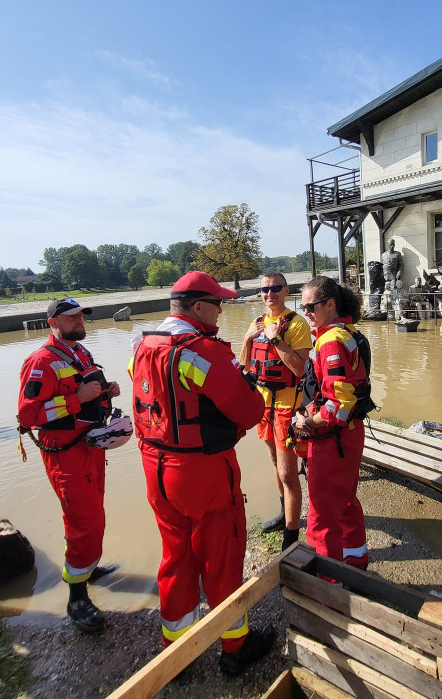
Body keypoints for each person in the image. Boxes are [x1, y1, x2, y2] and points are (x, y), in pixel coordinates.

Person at [130, 271, 273, 677]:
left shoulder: (142, 345)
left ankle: (177, 655)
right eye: (217, 303)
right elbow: (248, 412)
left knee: (176, 556)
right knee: (221, 557)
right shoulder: (202, 351)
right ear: (197, 307)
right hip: (201, 469)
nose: (221, 310)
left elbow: (152, 394)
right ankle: (235, 649)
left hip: (154, 465)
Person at [17, 297, 125, 634]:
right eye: (71, 317)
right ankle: (76, 598)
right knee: (85, 520)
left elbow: (89, 392)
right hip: (64, 451)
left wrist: (107, 393)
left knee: (94, 512)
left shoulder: (81, 353)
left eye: (80, 315)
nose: (79, 321)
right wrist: (76, 399)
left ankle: (88, 569)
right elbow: (29, 415)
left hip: (90, 444)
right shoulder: (41, 362)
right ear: (53, 323)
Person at [291, 276, 374, 570]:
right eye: (302, 306)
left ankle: (329, 589)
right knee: (346, 501)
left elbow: (340, 402)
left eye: (311, 307)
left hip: (332, 440)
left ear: (330, 304)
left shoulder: (330, 341)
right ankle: (355, 561)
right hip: (350, 434)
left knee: (322, 515)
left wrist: (308, 423)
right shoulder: (346, 332)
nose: (306, 313)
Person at [238, 272, 311, 549]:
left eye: (276, 288)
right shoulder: (256, 322)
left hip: (286, 405)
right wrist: (247, 339)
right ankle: (284, 515)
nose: (270, 294)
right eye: (265, 289)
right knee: (274, 464)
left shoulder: (296, 324)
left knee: (288, 473)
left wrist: (275, 340)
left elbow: (301, 368)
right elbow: (245, 365)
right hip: (262, 403)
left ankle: (291, 539)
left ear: (285, 290)